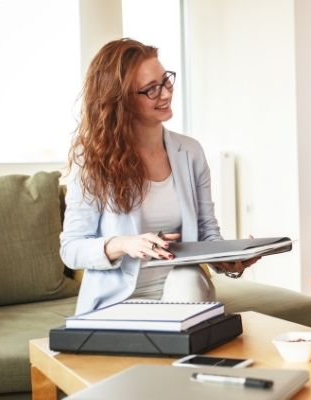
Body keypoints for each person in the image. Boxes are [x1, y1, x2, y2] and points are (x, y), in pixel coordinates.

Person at [60, 38, 257, 315]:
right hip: (117, 300)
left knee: (186, 280)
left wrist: (227, 260)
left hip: (183, 290)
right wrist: (124, 243)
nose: (165, 93)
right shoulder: (91, 159)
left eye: (166, 81)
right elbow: (71, 248)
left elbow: (206, 232)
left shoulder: (190, 152)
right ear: (122, 100)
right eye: (151, 89)